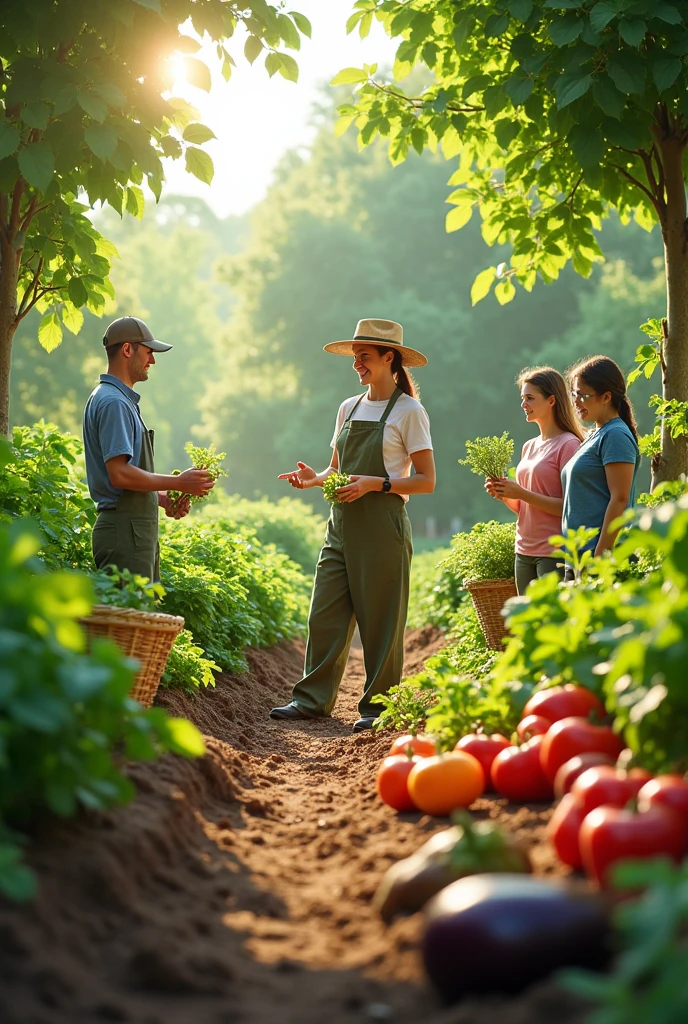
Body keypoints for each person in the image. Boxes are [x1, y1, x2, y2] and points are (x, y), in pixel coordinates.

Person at [270, 318, 435, 732]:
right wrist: (314, 479)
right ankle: (310, 700)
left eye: (364, 356)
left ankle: (379, 709)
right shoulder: (349, 407)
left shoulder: (409, 412)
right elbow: (336, 471)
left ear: (388, 358)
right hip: (340, 525)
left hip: (383, 526)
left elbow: (426, 480)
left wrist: (375, 484)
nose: (356, 363)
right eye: (355, 356)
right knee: (323, 613)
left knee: (381, 621)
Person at [83, 316, 214, 582]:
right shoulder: (113, 403)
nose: (152, 361)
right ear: (127, 350)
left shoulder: (118, 400)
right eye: (148, 352)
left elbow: (124, 478)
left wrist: (162, 497)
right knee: (129, 620)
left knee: (139, 619)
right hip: (124, 532)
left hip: (131, 532)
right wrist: (178, 482)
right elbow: (119, 474)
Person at [486, 367, 583, 594]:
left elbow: (570, 508)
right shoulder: (529, 446)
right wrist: (504, 495)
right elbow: (525, 508)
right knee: (528, 626)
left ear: (551, 400)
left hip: (553, 552)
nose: (523, 404)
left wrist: (520, 492)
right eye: (523, 398)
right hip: (523, 551)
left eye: (530, 398)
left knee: (551, 626)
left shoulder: (568, 444)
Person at [560, 355, 641, 577]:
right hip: (580, 558)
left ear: (606, 397)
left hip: (601, 560)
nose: (576, 401)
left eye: (583, 395)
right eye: (574, 393)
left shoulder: (615, 435)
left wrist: (599, 560)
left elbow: (620, 499)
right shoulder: (596, 433)